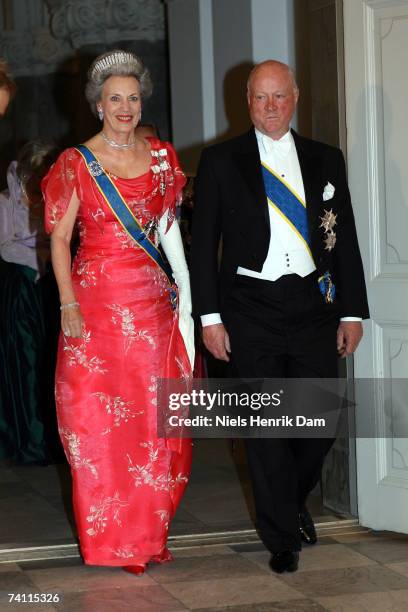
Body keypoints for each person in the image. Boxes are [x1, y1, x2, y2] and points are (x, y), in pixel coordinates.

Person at [190, 60, 369, 573]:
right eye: (260, 98)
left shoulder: (325, 159)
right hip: (249, 307)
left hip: (314, 306)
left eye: (279, 97)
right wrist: (210, 318)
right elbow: (204, 248)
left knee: (319, 422)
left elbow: (345, 240)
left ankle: (290, 500)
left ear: (295, 97)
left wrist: (352, 311)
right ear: (247, 100)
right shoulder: (222, 160)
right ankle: (281, 536)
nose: (270, 107)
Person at [42, 50, 194, 573]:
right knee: (97, 426)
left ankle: (148, 537)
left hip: (152, 312)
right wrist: (67, 303)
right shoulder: (75, 163)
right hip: (94, 310)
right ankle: (108, 542)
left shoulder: (161, 158)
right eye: (115, 99)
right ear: (98, 104)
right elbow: (60, 240)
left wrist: (189, 304)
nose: (125, 108)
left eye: (133, 98)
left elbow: (169, 233)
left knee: (154, 424)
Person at [0, 140, 60, 464]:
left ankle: (53, 438)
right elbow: (5, 247)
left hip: (48, 290)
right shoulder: (5, 201)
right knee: (26, 362)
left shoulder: (54, 200)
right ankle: (30, 439)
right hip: (21, 293)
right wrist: (41, 255)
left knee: (51, 363)